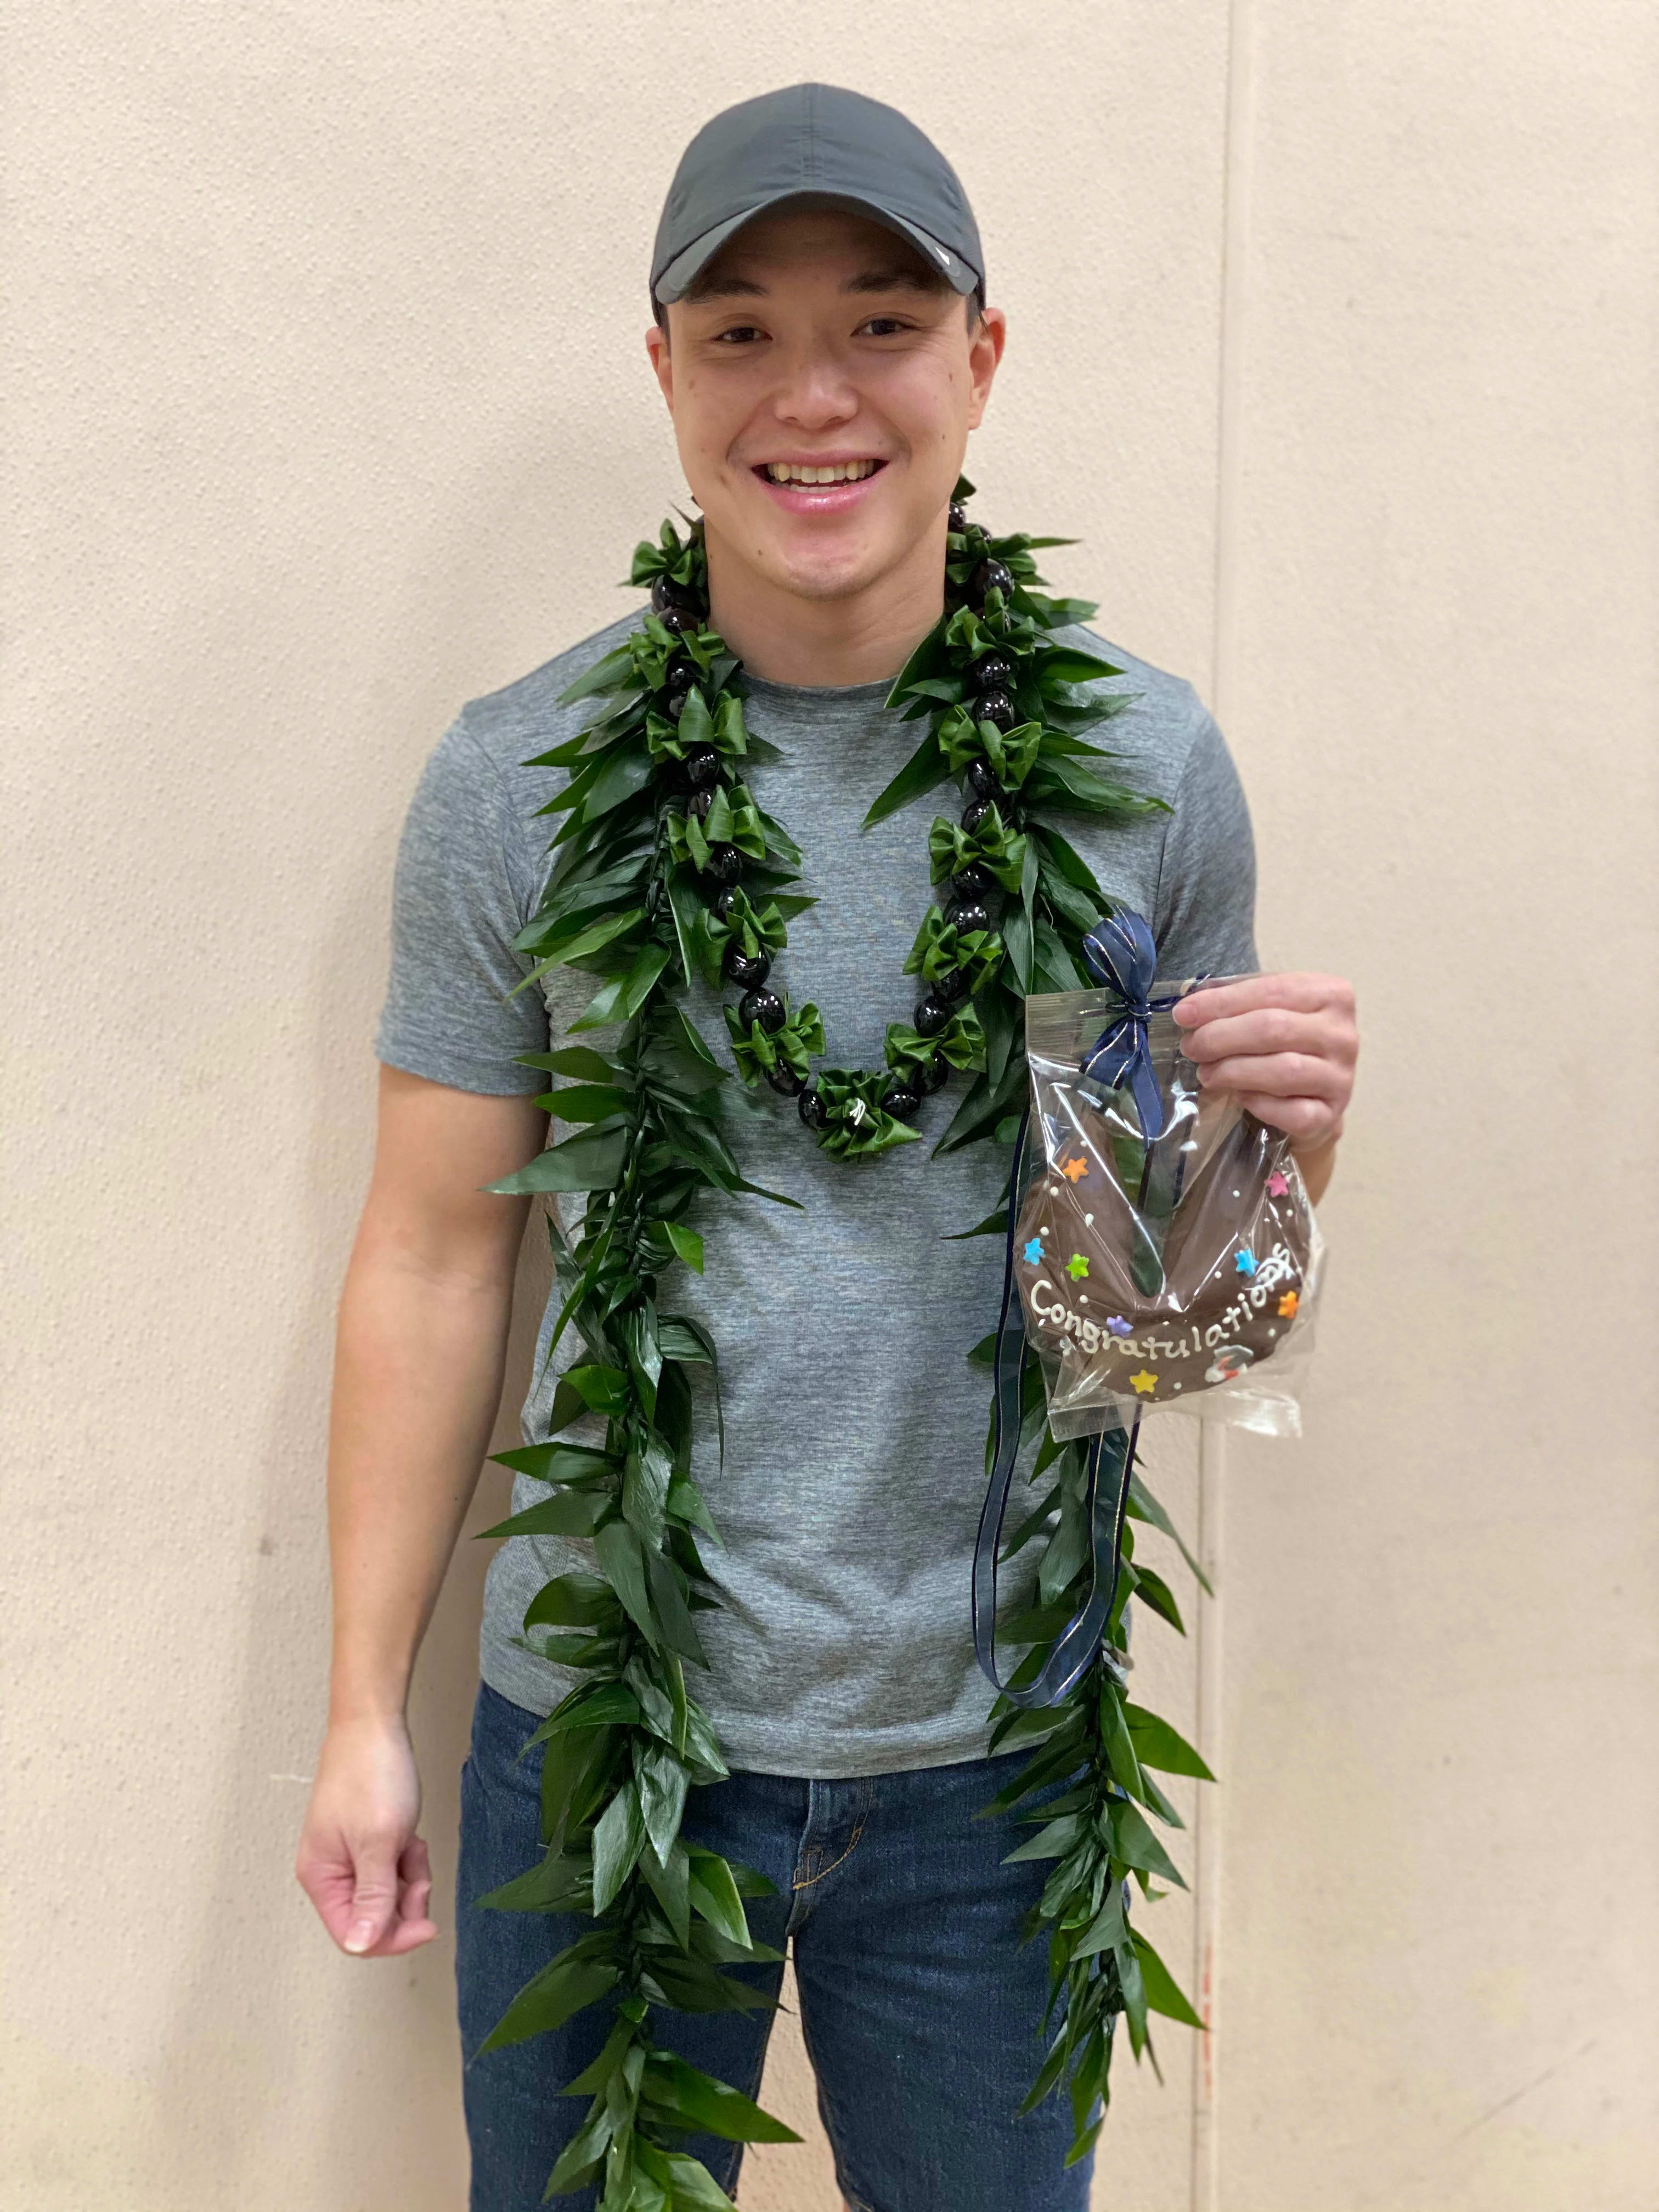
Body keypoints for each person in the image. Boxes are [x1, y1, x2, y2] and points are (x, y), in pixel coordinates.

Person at [295, 83, 1358, 2212]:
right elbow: (431, 1259)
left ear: (980, 360)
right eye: (742, 331)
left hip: (992, 1768)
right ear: (667, 374)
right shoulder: (519, 783)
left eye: (880, 322)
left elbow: (1155, 1332)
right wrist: (365, 1713)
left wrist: (1283, 1167)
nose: (814, 396)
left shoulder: (1140, 769)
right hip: (607, 1733)